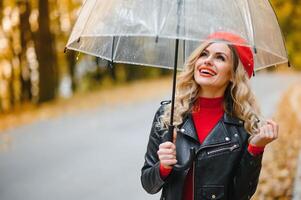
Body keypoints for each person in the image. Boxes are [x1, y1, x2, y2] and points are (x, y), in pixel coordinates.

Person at [140, 32, 279, 200]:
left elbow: (241, 194)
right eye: (204, 54)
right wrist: (162, 167)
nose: (207, 60)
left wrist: (255, 149)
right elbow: (148, 184)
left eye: (220, 58)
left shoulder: (245, 125)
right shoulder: (168, 115)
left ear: (234, 74)